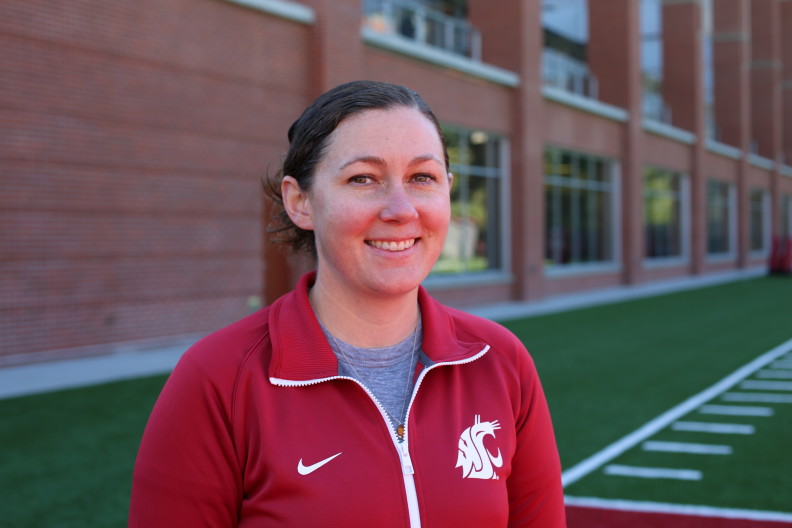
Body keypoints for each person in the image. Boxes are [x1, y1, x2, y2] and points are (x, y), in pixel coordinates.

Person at [129, 80, 565, 527]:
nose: (401, 209)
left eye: (422, 178)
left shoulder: (501, 360)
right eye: (363, 178)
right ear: (300, 202)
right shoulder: (219, 379)